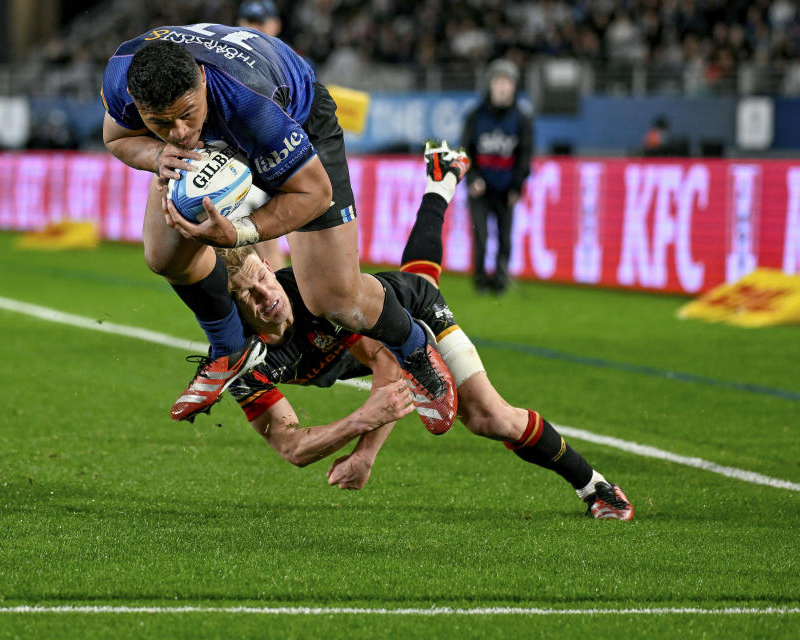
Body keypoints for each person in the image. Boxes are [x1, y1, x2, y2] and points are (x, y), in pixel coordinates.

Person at [218, 141, 633, 520]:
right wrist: (359, 420)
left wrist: (366, 453)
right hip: (375, 320)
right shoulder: (238, 360)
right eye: (248, 296)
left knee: (487, 416)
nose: (264, 296)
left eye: (263, 280)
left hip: (407, 318)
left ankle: (596, 488)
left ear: (271, 266)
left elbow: (393, 363)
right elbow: (291, 446)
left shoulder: (316, 296)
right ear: (231, 311)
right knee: (417, 274)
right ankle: (442, 182)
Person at [100, 25, 456, 435]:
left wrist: (240, 233)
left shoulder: (251, 104)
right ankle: (230, 348)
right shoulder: (123, 75)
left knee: (335, 299)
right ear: (138, 104)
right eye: (160, 122)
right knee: (162, 256)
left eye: (186, 115)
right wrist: (159, 152)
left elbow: (315, 193)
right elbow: (116, 137)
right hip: (225, 131)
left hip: (295, 124)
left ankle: (415, 349)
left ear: (200, 78)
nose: (179, 132)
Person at [461, 58, 534, 295]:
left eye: (508, 82)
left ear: (514, 87)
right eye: (499, 81)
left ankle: (501, 280)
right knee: (480, 235)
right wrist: (473, 178)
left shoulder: (522, 119)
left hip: (506, 189)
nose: (504, 87)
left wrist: (517, 186)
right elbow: (465, 150)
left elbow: (525, 155)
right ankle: (481, 280)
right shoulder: (475, 116)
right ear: (490, 85)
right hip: (480, 188)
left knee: (505, 237)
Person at [236, 0, 288, 269]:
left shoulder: (291, 62)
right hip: (244, 156)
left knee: (256, 234)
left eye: (260, 22)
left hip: (279, 156)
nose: (254, 28)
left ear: (275, 25)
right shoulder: (228, 62)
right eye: (248, 21)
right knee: (261, 239)